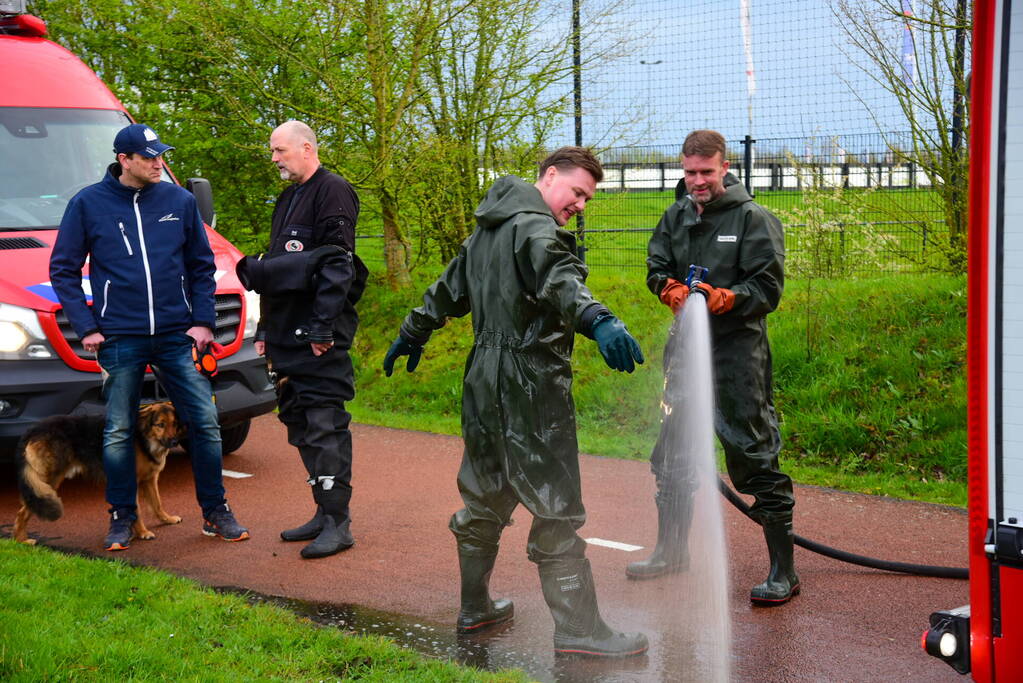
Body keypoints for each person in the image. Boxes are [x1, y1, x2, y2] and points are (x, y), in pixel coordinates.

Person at [383, 147, 649, 657]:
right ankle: (579, 630)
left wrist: (412, 331)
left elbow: (446, 290)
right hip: (531, 379)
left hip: (484, 376)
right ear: (549, 177)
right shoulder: (536, 228)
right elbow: (559, 279)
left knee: (484, 492)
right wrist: (600, 319)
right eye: (577, 192)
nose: (581, 206)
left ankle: (475, 609)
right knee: (556, 501)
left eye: (587, 198)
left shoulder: (486, 228)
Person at [49, 123, 249, 551]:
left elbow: (201, 265)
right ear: (124, 160)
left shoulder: (179, 200)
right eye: (149, 157)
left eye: (161, 155)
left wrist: (203, 322)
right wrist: (87, 326)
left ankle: (216, 513)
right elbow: (63, 270)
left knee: (206, 424)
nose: (159, 163)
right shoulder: (88, 204)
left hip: (178, 335)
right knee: (119, 430)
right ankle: (122, 518)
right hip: (120, 337)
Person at [629, 129, 798, 605]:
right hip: (684, 351)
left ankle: (784, 571)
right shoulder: (675, 215)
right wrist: (666, 287)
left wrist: (727, 298)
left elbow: (768, 289)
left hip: (737, 354)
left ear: (724, 168)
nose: (697, 181)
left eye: (706, 172)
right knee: (672, 453)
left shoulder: (753, 219)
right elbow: (654, 264)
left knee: (754, 453)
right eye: (690, 172)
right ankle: (671, 552)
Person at [250, 120, 367, 560]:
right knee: (298, 421)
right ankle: (323, 510)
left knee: (324, 425)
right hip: (285, 333)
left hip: (318, 337)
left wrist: (322, 326)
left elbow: (339, 264)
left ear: (306, 147)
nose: (275, 159)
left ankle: (339, 523)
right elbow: (279, 268)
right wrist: (265, 328)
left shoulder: (332, 190)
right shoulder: (288, 198)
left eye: (280, 151)